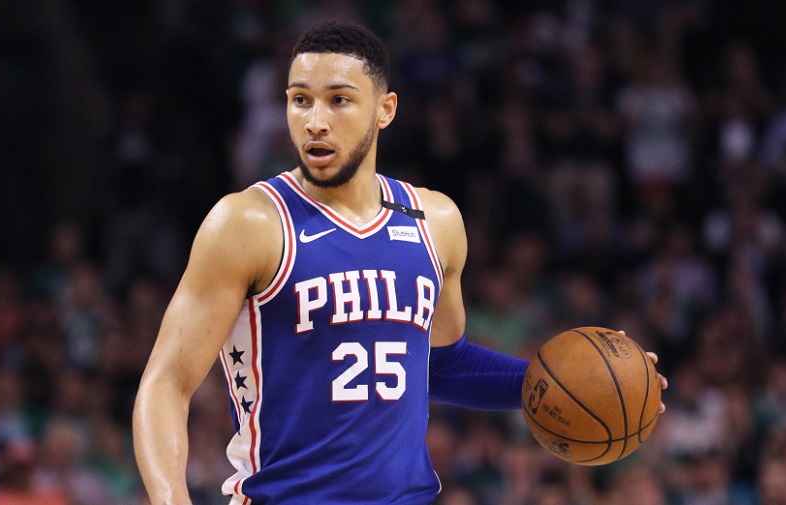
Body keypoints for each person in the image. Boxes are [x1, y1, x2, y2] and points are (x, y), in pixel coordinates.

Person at [132, 20, 667, 505]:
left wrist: (572, 381)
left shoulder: (436, 220)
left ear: (384, 109)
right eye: (300, 100)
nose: (315, 121)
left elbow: (439, 363)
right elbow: (166, 382)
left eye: (339, 101)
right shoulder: (249, 222)